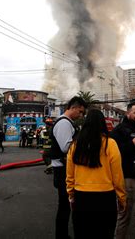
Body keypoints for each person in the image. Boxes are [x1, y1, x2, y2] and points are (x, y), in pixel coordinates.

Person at [66, 109, 126, 238]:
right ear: (102, 123)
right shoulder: (110, 144)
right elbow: (117, 175)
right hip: (105, 199)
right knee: (105, 234)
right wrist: (121, 198)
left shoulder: (75, 145)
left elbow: (70, 174)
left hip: (81, 198)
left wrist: (71, 194)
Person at [111, 102, 135, 239]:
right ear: (128, 113)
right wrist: (133, 144)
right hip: (128, 178)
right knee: (124, 215)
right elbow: (114, 154)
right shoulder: (118, 131)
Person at [50, 96, 87, 239]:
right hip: (62, 169)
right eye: (81, 112)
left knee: (66, 205)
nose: (81, 115)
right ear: (73, 108)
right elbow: (66, 148)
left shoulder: (68, 123)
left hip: (64, 168)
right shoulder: (64, 123)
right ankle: (62, 236)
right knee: (65, 206)